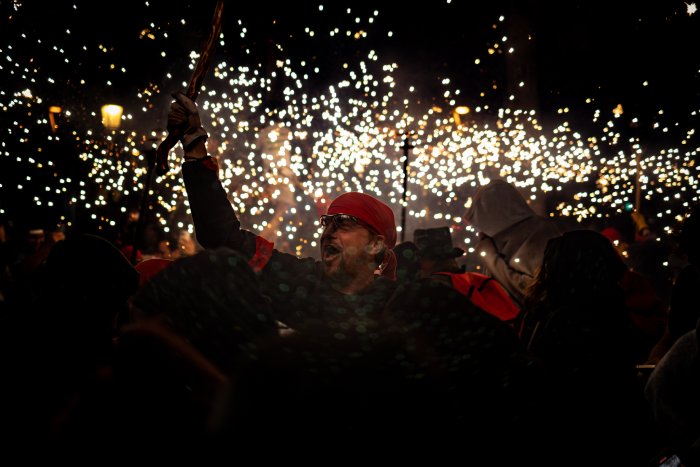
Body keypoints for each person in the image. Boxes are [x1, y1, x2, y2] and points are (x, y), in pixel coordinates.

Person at [167, 92, 399, 333]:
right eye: (327, 223)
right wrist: (194, 145)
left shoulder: (397, 304)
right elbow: (222, 237)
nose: (328, 233)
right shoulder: (298, 281)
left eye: (343, 223)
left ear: (375, 245)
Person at [412, 226, 521, 324]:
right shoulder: (480, 281)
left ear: (430, 261)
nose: (418, 266)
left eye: (419, 260)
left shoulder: (433, 287)